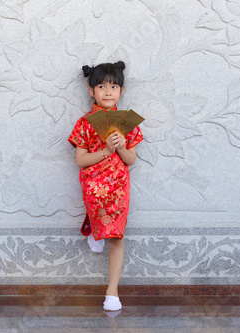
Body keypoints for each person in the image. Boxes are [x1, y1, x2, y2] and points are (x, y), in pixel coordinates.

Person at [68, 61, 143, 311]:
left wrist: (120, 147)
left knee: (116, 236)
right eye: (101, 86)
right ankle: (93, 225)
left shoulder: (127, 122)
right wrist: (106, 150)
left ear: (121, 90)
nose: (108, 91)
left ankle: (112, 291)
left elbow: (131, 159)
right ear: (92, 91)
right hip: (93, 185)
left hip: (119, 187)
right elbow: (80, 160)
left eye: (114, 86)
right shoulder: (85, 123)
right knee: (100, 216)